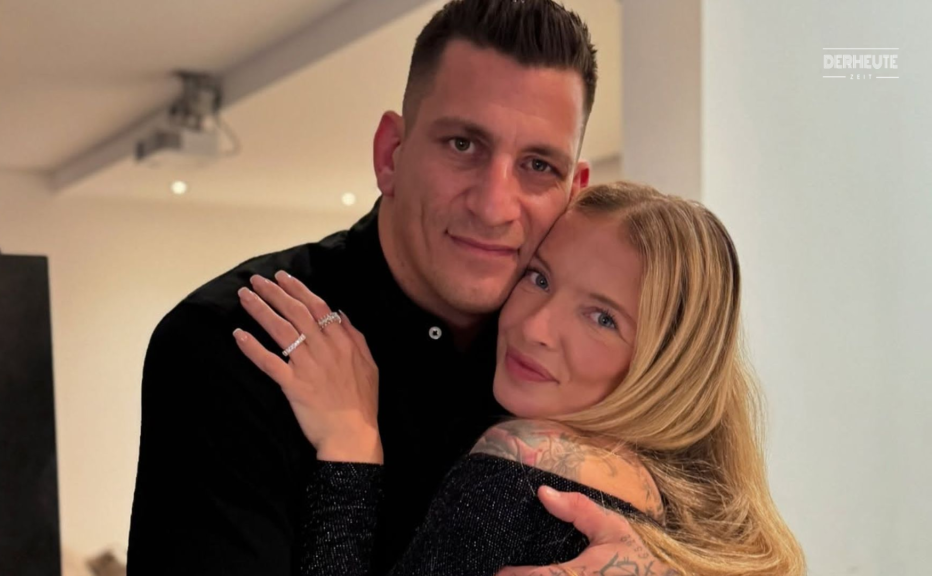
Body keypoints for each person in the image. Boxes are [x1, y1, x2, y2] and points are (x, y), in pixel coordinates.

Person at [127, 1, 672, 575]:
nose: (494, 207)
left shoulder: (596, 369)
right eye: (463, 145)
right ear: (390, 154)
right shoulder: (234, 343)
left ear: (573, 193)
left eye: (538, 165)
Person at [235, 182, 807, 576]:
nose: (535, 328)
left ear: (666, 361)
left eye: (602, 318)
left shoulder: (528, 459)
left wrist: (350, 446)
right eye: (539, 278)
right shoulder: (663, 504)